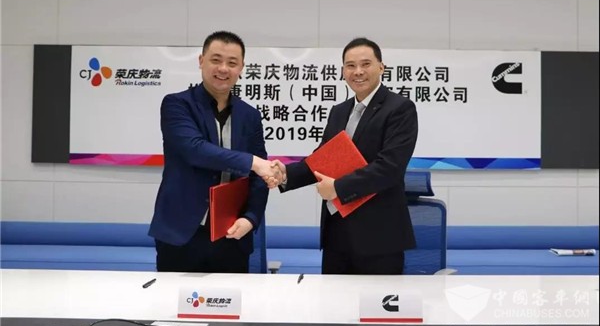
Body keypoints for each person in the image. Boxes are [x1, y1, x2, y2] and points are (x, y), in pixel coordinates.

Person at [270, 37, 418, 275]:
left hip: (379, 237)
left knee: (377, 299)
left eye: (365, 64)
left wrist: (338, 188)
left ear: (381, 67)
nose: (357, 71)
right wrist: (286, 173)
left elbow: (389, 168)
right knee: (332, 298)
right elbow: (323, 159)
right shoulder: (339, 111)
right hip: (337, 233)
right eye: (350, 65)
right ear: (342, 71)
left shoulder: (399, 108)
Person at [149, 31, 280, 273]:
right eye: (216, 60)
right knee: (172, 298)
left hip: (232, 234)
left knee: (231, 298)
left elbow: (258, 177)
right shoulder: (177, 104)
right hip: (181, 234)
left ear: (241, 68)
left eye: (232, 63)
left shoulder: (250, 116)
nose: (223, 69)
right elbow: (195, 150)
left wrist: (251, 218)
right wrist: (254, 162)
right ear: (201, 61)